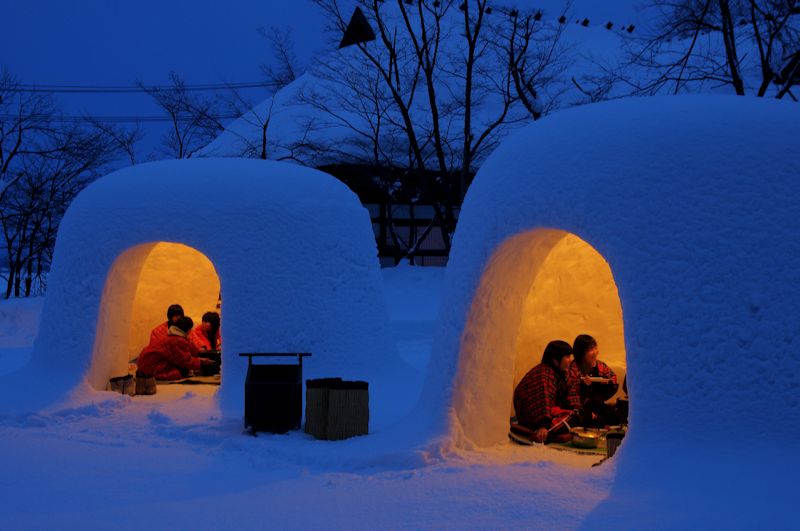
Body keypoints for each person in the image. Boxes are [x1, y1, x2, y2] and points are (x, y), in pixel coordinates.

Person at [513, 340, 582, 444]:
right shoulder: (542, 374)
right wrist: (542, 426)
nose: (570, 360)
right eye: (567, 357)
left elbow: (572, 393)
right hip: (534, 419)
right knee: (577, 421)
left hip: (554, 414)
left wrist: (577, 409)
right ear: (555, 360)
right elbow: (541, 399)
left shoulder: (563, 372)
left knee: (585, 417)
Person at [137, 316, 214, 380]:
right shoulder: (178, 340)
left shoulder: (172, 335)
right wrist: (201, 362)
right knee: (178, 373)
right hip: (150, 366)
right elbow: (186, 361)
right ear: (189, 330)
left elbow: (191, 350)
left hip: (143, 363)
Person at [570, 334, 620, 427]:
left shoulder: (600, 365)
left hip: (597, 404)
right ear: (581, 353)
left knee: (616, 416)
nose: (595, 352)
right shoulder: (573, 368)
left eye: (595, 347)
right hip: (580, 408)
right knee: (589, 419)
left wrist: (606, 384)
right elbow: (572, 396)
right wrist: (584, 387)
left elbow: (613, 379)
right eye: (590, 349)